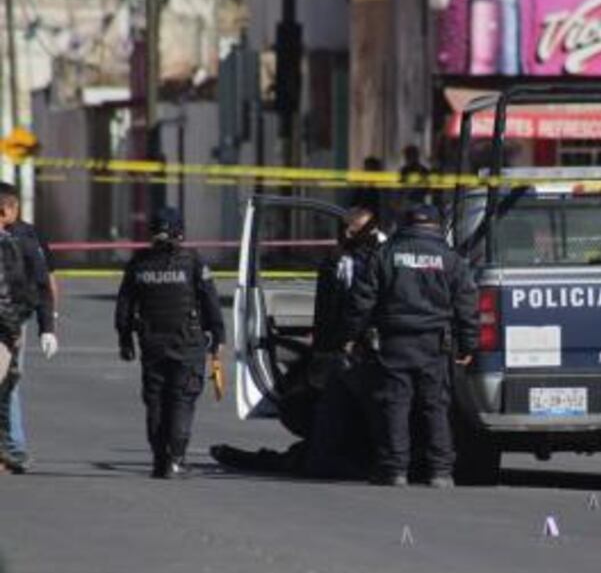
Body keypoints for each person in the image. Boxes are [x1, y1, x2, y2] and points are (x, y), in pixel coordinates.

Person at [211, 207, 385, 478]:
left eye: (354, 228)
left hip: (355, 353)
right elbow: (328, 306)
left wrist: (348, 339)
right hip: (340, 351)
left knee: (328, 426)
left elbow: (360, 307)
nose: (348, 233)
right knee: (320, 417)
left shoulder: (373, 259)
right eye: (346, 228)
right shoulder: (341, 259)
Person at [342, 203, 478, 488]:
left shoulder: (386, 254)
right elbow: (467, 304)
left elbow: (361, 300)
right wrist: (468, 346)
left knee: (395, 405)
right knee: (436, 406)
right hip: (435, 343)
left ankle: (395, 470)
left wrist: (352, 336)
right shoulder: (451, 259)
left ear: (405, 225)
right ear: (437, 226)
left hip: (394, 342)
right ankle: (440, 471)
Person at [115, 207, 225, 479]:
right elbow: (210, 300)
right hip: (186, 343)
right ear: (180, 231)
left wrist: (125, 338)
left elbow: (124, 305)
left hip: (152, 343)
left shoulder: (139, 263)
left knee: (156, 401)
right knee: (182, 399)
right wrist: (218, 336)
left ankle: (159, 460)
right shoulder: (192, 261)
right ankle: (176, 459)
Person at [0, 182, 58, 474]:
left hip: (10, 324)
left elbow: (44, 281)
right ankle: (11, 450)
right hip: (11, 324)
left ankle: (13, 449)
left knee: (9, 387)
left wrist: (49, 324)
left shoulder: (27, 237)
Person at [0, 196, 33, 475]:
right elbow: (4, 295)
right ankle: (9, 451)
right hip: (2, 330)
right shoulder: (4, 244)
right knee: (5, 388)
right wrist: (14, 330)